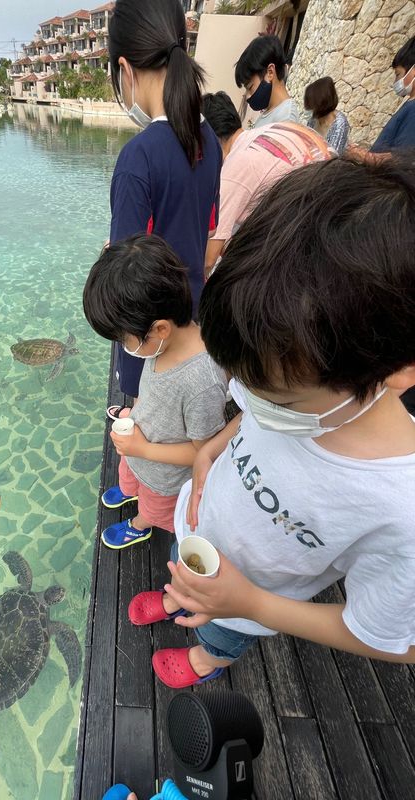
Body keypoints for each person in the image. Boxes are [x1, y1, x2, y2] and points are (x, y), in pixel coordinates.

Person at [127, 157, 415, 689]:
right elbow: (261, 418)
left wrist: (249, 603)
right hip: (201, 524)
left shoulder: (401, 508)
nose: (246, 400)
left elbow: (386, 636)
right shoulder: (298, 385)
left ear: (397, 370)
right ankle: (176, 597)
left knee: (219, 636)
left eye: (272, 398)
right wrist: (215, 445)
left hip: (247, 603)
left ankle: (207, 662)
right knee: (183, 573)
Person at [106, 0, 222, 405]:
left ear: (125, 70)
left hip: (150, 343)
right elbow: (205, 230)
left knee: (141, 444)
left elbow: (127, 283)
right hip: (193, 326)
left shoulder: (138, 157)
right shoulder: (209, 139)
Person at [83, 234, 227, 549]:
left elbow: (204, 452)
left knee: (153, 507)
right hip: (138, 447)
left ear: (160, 328)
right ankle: (130, 488)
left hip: (163, 477)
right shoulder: (161, 345)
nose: (124, 347)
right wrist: (135, 416)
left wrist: (144, 450)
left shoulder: (201, 380)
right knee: (130, 476)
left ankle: (141, 525)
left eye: (124, 339)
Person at [202, 91, 329, 275]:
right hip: (340, 211)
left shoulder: (235, 165)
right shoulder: (271, 131)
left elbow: (207, 260)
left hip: (315, 242)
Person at [348, 36, 415, 161]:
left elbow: (400, 162)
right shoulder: (409, 105)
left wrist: (361, 155)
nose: (396, 81)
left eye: (398, 74)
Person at [235, 35, 300, 127]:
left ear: (270, 72)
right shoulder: (269, 113)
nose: (247, 96)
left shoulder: (285, 119)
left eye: (250, 87)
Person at [304, 76, 350, 155]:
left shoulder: (339, 123)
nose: (310, 110)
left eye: (312, 106)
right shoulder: (313, 121)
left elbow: (333, 156)